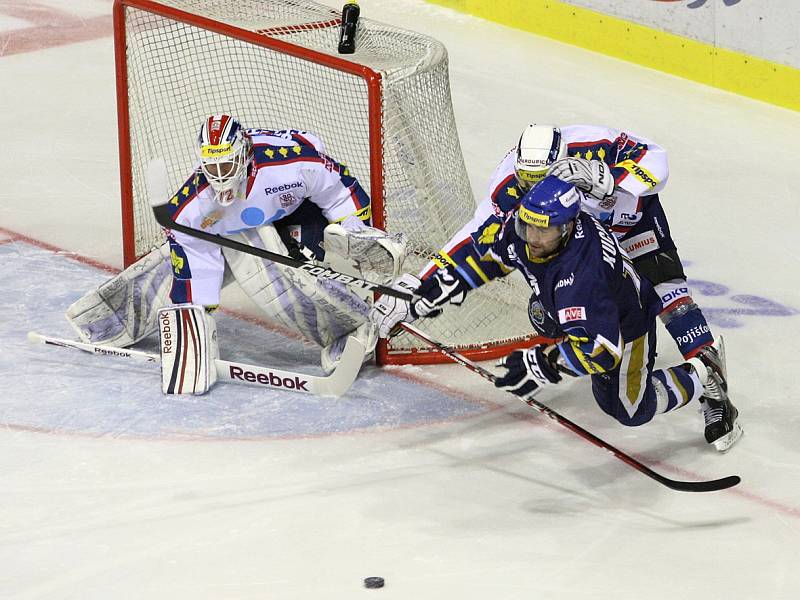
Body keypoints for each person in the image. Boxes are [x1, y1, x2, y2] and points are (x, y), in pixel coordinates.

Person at [371, 176, 742, 452]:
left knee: (630, 410)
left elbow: (603, 352)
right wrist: (421, 294)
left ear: (566, 230)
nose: (532, 237)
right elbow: (484, 260)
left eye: (543, 231)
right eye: (528, 225)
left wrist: (543, 363)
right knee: (547, 319)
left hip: (627, 326)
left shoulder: (582, 275)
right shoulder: (532, 228)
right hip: (582, 313)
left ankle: (703, 372)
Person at [66, 114, 406, 374]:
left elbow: (338, 189)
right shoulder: (194, 202)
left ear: (243, 153)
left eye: (226, 163)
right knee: (182, 254)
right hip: (246, 221)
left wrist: (354, 230)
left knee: (290, 271)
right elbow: (194, 254)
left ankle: (350, 328)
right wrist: (195, 315)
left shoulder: (290, 165)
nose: (219, 174)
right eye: (210, 166)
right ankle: (114, 313)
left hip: (300, 211)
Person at [417, 123, 714, 361]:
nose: (534, 189)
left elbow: (655, 156)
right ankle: (623, 344)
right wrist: (421, 286)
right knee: (549, 312)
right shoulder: (508, 186)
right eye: (527, 179)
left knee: (672, 300)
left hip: (634, 225)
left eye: (542, 177)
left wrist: (610, 178)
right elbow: (474, 236)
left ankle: (712, 384)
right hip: (585, 241)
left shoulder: (592, 142)